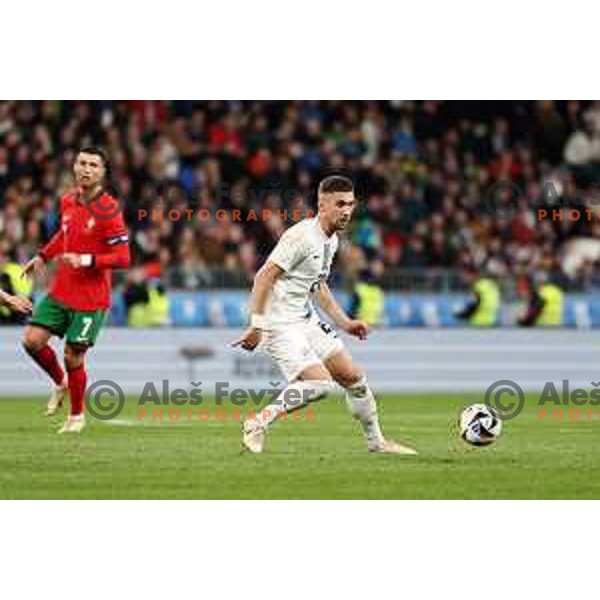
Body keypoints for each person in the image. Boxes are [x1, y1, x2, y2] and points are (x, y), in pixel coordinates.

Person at [233, 175, 416, 455]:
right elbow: (262, 278)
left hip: (305, 318)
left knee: (353, 378)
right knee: (319, 383)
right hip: (279, 323)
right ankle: (257, 423)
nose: (347, 210)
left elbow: (316, 284)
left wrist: (345, 322)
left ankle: (376, 442)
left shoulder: (331, 241)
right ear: (322, 205)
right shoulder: (301, 236)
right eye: (340, 204)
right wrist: (256, 325)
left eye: (351, 204)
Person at [21, 147, 130, 434]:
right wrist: (43, 256)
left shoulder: (109, 209)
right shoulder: (68, 200)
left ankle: (77, 416)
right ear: (74, 166)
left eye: (93, 165)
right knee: (32, 341)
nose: (86, 169)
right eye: (82, 163)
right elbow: (65, 234)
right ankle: (60, 383)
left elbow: (123, 257)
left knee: (73, 355)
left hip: (90, 300)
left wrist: (86, 259)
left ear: (102, 172)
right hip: (61, 290)